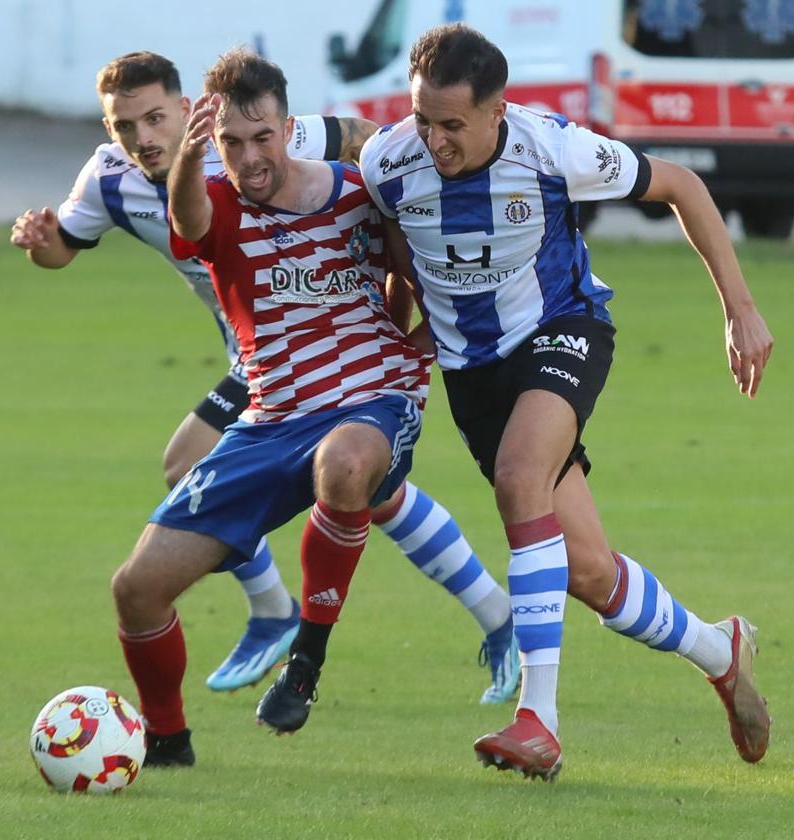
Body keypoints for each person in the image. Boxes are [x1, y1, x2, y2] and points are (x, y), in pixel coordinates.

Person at [11, 52, 519, 707]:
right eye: (124, 124)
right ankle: (467, 616)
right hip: (261, 363)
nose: (143, 136)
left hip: (328, 356)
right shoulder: (112, 178)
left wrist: (390, 194)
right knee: (357, 489)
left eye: (156, 117)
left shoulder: (272, 138)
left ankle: (287, 615)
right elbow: (65, 247)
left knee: (334, 477)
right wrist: (37, 240)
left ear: (186, 109)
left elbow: (369, 144)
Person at [358, 23, 773, 780]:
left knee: (522, 477)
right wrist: (406, 338)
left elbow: (682, 184)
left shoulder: (552, 149)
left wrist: (738, 308)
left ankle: (538, 720)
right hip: (472, 375)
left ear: (497, 112)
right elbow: (400, 259)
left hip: (562, 330)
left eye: (452, 125)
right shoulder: (388, 163)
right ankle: (721, 650)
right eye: (423, 119)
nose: (434, 140)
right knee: (584, 572)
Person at [110, 46, 457, 767]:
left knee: (346, 460)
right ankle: (169, 745)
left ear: (288, 127)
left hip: (372, 399)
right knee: (137, 590)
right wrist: (192, 155)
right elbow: (189, 213)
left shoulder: (361, 190)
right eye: (231, 144)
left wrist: (427, 344)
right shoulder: (218, 204)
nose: (249, 156)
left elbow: (421, 267)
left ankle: (305, 662)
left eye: (261, 136)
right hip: (270, 420)